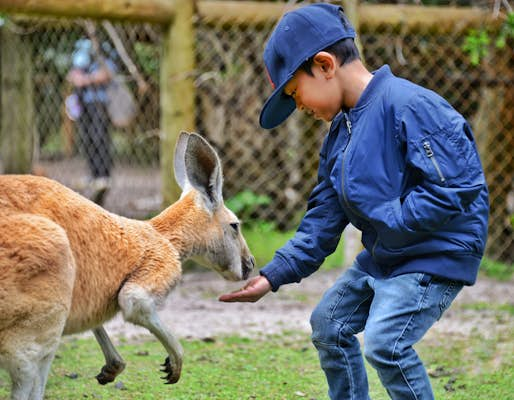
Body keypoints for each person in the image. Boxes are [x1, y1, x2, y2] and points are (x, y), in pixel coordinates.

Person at [219, 3, 489, 400]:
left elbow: (457, 186)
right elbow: (325, 216)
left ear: (325, 65)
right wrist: (273, 275)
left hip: (435, 254)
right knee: (329, 324)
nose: (299, 108)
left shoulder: (410, 105)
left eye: (295, 93)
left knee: (386, 344)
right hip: (388, 256)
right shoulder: (340, 133)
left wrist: (394, 220)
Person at [67, 38, 117, 204]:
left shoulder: (104, 49)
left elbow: (108, 73)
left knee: (100, 137)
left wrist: (86, 79)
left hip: (100, 102)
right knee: (86, 138)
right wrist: (77, 78)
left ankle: (103, 175)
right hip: (83, 102)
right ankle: (93, 174)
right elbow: (72, 74)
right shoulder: (80, 49)